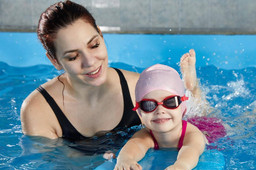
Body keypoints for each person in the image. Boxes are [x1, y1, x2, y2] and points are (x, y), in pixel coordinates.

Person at [19, 1, 190, 142]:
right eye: (73, 57)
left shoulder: (139, 87)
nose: (90, 62)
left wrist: (192, 88)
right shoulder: (40, 110)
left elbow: (195, 128)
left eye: (94, 45)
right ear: (54, 61)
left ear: (101, 35)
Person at [113, 64, 207, 170]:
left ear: (182, 106)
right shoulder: (146, 134)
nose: (160, 111)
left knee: (204, 113)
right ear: (140, 112)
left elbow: (191, 149)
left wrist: (181, 165)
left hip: (208, 129)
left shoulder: (192, 135)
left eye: (170, 102)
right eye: (149, 105)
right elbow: (134, 145)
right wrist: (125, 160)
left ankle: (193, 87)